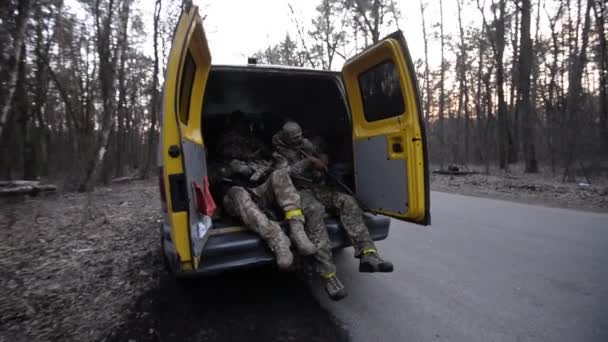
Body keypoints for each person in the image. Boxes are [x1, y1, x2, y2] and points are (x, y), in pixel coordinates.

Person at [272, 121, 394, 277]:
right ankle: (327, 271)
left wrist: (323, 158)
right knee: (315, 210)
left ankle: (368, 254)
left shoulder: (305, 143)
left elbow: (319, 151)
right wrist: (308, 162)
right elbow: (284, 174)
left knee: (347, 201)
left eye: (300, 135)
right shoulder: (278, 153)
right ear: (286, 137)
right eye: (295, 137)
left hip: (318, 187)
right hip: (297, 192)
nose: (299, 139)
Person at [209, 118, 316, 271]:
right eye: (232, 141)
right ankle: (278, 239)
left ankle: (296, 228)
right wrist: (229, 170)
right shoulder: (217, 159)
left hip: (260, 191)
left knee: (279, 174)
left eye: (241, 140)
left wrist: (272, 166)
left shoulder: (259, 151)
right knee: (237, 192)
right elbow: (211, 180)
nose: (237, 143)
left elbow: (277, 167)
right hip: (236, 198)